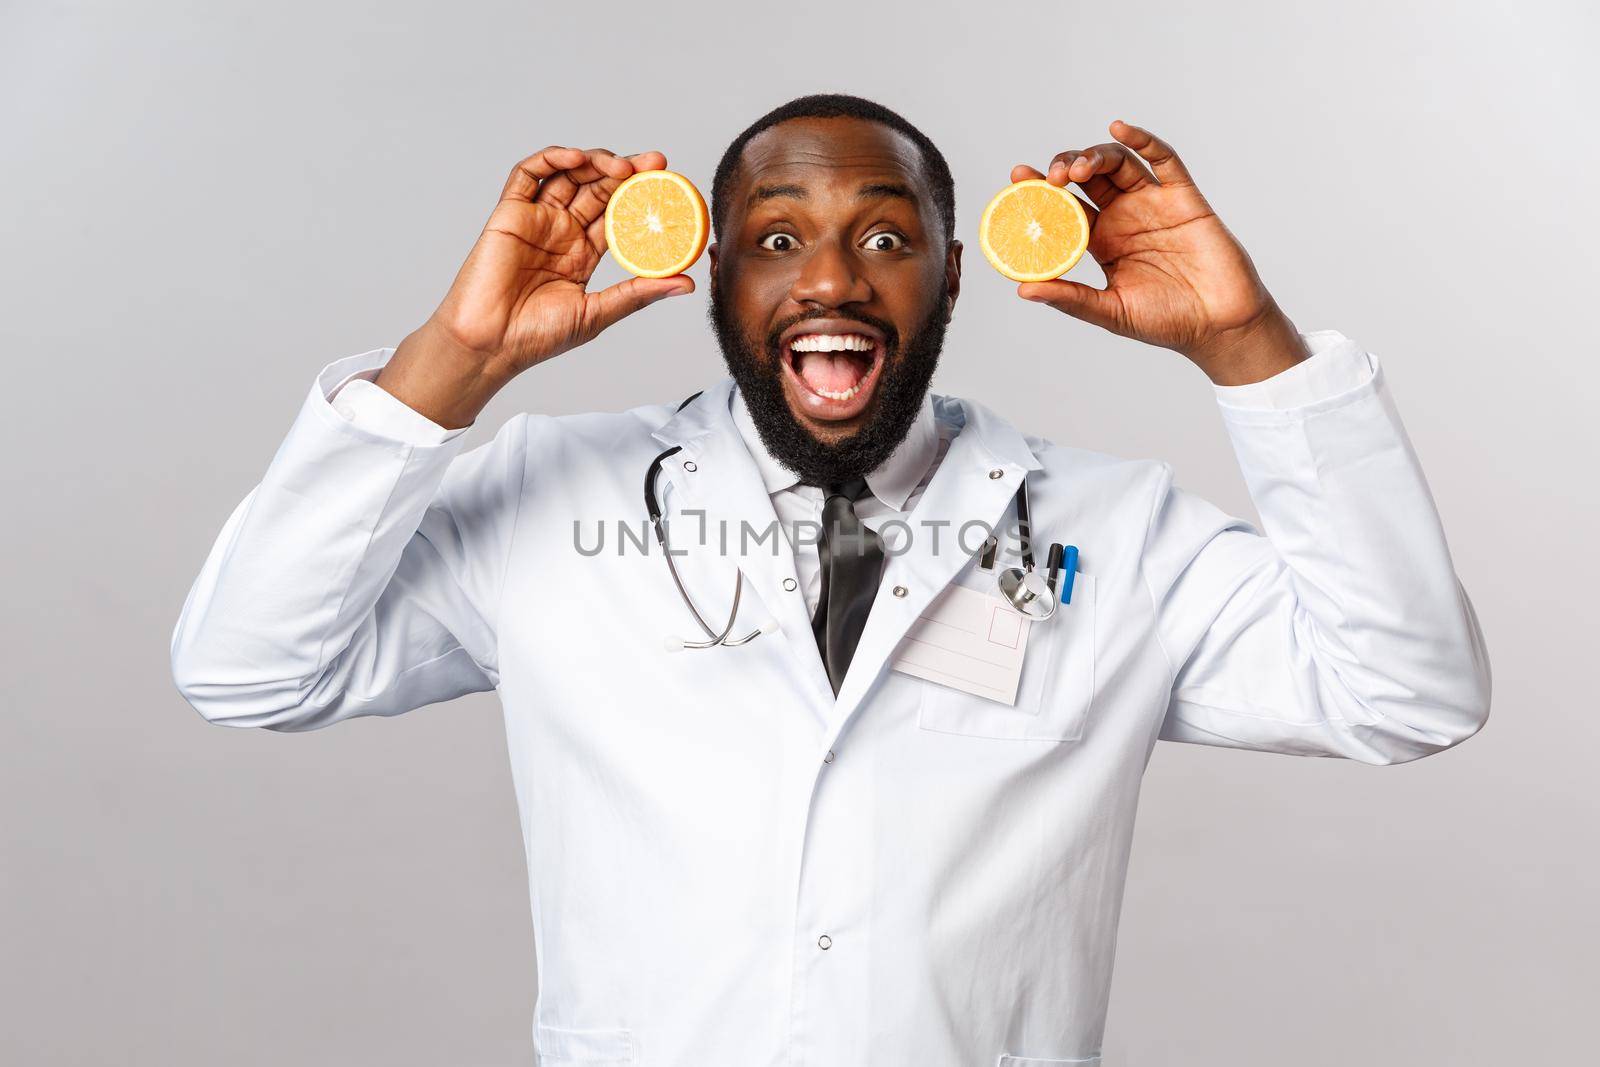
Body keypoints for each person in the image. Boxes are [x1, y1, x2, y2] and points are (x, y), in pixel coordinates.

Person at [170, 93, 1491, 1065]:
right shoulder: (548, 499)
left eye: (884, 240)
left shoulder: (1112, 532)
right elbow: (249, 666)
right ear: (713, 277)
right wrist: (450, 363)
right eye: (776, 240)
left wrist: (1252, 349)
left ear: (954, 276)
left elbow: (1407, 692)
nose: (828, 282)